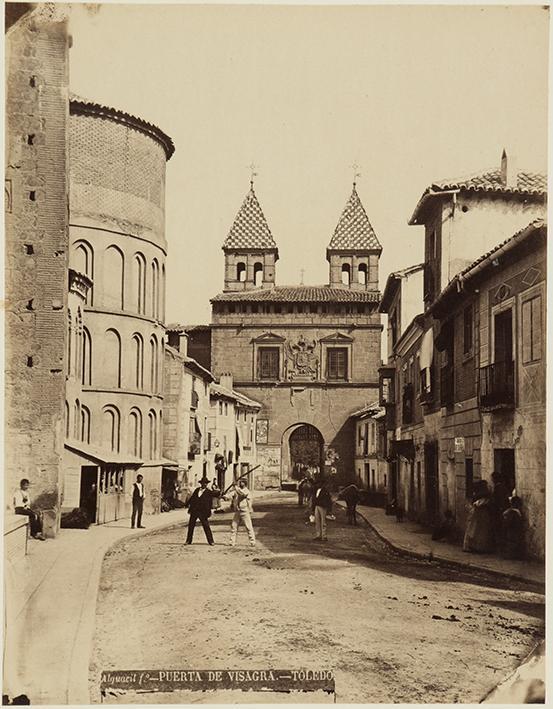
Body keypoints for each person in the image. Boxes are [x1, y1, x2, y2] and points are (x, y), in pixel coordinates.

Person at [185, 477, 220, 545]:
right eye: (203, 483)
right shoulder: (197, 490)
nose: (204, 484)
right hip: (194, 510)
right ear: (201, 483)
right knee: (191, 526)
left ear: (207, 484)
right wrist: (187, 504)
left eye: (205, 483)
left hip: (203, 512)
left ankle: (211, 541)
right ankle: (188, 541)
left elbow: (216, 494)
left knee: (206, 526)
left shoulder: (209, 492)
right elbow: (192, 498)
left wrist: (220, 492)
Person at [463, 479, 495, 553]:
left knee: (474, 530)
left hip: (478, 515)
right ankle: (478, 547)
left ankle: (473, 546)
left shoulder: (478, 495)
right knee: (479, 531)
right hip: (481, 515)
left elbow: (474, 504)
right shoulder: (484, 496)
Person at [229, 478, 256, 547]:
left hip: (245, 511)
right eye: (240, 482)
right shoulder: (237, 490)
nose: (240, 483)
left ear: (245, 483)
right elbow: (231, 495)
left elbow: (242, 494)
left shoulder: (246, 491)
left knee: (248, 527)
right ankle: (232, 542)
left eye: (241, 482)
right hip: (238, 511)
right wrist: (224, 496)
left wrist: (235, 487)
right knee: (233, 526)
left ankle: (252, 541)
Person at [501, 495, 525, 559]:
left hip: (512, 530)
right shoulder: (515, 512)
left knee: (511, 541)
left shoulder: (512, 512)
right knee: (513, 541)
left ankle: (510, 555)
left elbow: (508, 522)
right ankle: (511, 555)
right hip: (514, 529)